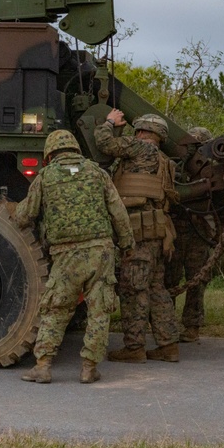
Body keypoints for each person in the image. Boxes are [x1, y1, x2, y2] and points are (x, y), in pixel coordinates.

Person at [12, 129, 134, 384]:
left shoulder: (45, 177)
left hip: (66, 255)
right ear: (76, 149)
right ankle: (89, 368)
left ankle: (43, 366)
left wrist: (13, 214)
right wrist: (127, 243)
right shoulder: (97, 173)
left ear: (49, 153)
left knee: (56, 309)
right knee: (99, 311)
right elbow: (118, 212)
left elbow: (26, 216)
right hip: (100, 252)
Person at [96, 109, 181, 362]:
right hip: (157, 231)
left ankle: (134, 348)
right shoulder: (165, 161)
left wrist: (110, 122)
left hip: (138, 232)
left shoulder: (139, 148)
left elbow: (104, 143)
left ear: (142, 132)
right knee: (156, 288)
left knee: (133, 288)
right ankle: (168, 346)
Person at [165, 126, 219, 343]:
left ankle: (191, 326)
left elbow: (218, 207)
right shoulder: (173, 169)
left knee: (197, 281)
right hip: (175, 230)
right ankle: (165, 325)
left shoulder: (211, 173)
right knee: (170, 279)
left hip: (198, 232)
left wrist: (217, 235)